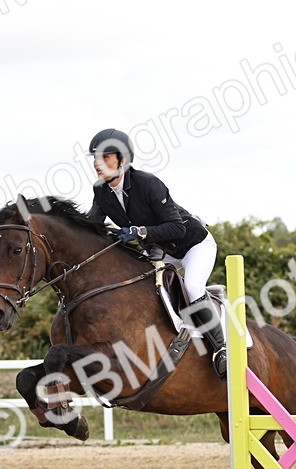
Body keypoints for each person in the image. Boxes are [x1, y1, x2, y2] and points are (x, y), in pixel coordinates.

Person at [84, 128, 228, 380]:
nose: (97, 163)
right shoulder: (101, 191)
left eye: (105, 157)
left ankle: (221, 349)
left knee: (193, 286)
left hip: (193, 244)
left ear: (122, 159)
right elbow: (91, 229)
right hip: (160, 251)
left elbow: (177, 227)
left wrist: (139, 231)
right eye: (96, 158)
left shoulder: (148, 184)